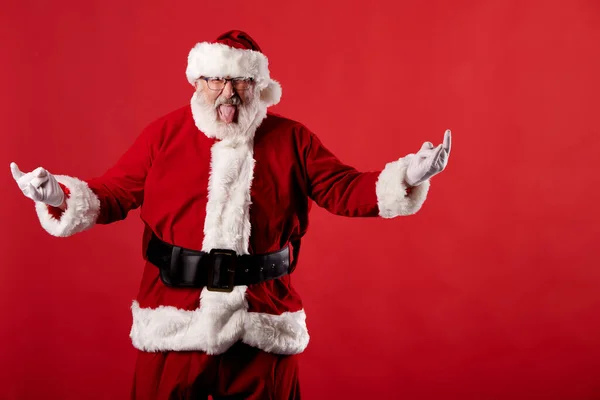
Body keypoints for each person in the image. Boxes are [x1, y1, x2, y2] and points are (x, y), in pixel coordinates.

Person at [10, 30, 451, 399]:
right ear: (197, 82)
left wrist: (409, 174)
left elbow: (344, 189)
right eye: (215, 80)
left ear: (257, 86)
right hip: (174, 323)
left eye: (239, 82)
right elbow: (112, 194)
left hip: (261, 324)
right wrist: (57, 196)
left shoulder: (292, 139)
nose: (227, 93)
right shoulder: (163, 135)